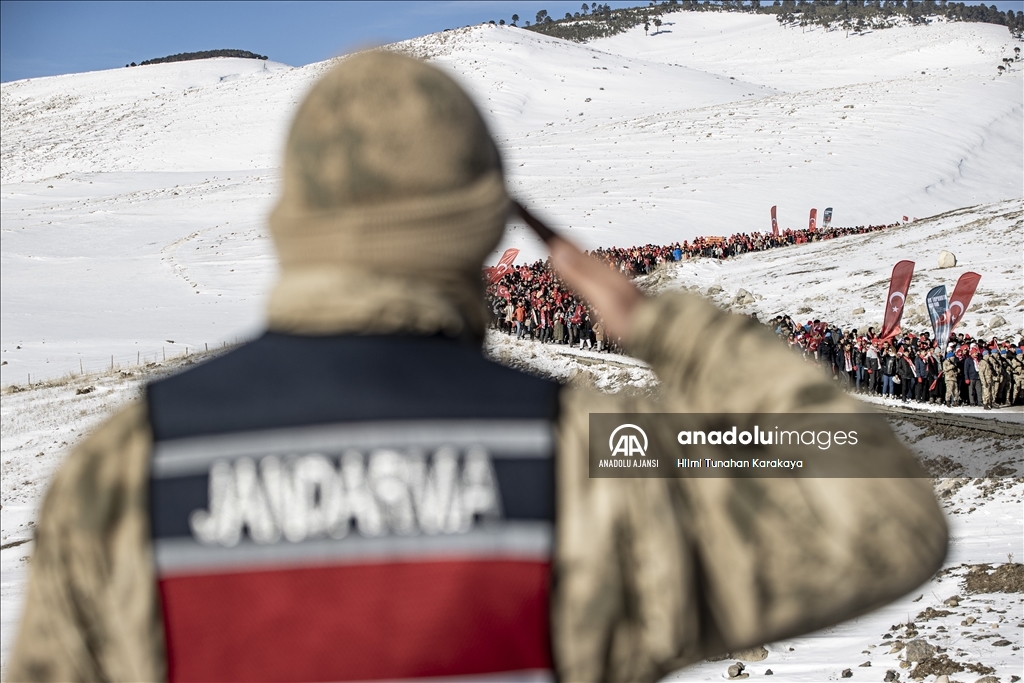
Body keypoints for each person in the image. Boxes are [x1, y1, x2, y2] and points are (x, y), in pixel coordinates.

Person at [7, 51, 947, 683]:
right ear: (485, 223)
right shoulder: (590, 451)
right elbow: (871, 494)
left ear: (293, 219)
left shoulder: (128, 469)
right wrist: (661, 325)